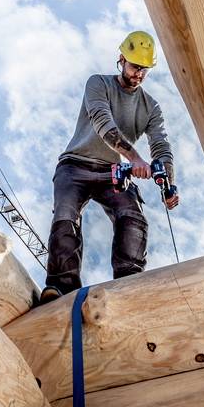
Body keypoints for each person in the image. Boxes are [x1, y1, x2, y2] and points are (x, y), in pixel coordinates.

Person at [39, 31, 180, 303]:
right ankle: (61, 287)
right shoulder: (98, 84)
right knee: (66, 215)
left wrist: (168, 183)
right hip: (74, 166)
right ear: (122, 59)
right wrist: (134, 158)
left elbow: (161, 144)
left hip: (113, 174)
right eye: (135, 66)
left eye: (144, 69)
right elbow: (103, 122)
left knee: (133, 215)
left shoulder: (150, 107)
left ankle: (129, 282)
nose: (138, 74)